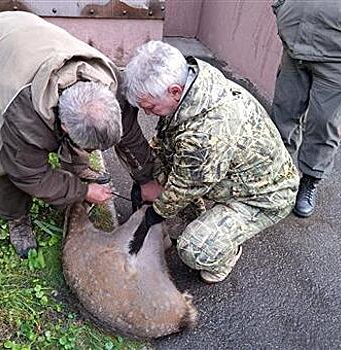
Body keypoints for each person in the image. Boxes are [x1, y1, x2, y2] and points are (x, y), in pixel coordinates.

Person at [0, 11, 154, 258]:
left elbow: (129, 134)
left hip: (28, 35)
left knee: (84, 130)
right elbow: (28, 174)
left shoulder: (112, 85)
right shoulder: (21, 117)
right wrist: (83, 192)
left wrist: (145, 179)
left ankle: (77, 168)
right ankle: (17, 220)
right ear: (64, 127)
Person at [123, 41, 299, 283]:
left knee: (195, 250)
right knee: (165, 180)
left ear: (174, 91)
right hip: (227, 170)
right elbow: (167, 144)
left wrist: (156, 212)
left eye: (150, 107)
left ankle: (225, 253)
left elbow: (187, 185)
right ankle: (202, 213)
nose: (148, 114)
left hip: (263, 195)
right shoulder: (194, 87)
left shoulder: (206, 133)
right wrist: (150, 178)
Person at [271, 0, 341, 217]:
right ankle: (275, 173)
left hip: (340, 57)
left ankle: (309, 180)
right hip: (295, 47)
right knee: (283, 113)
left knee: (323, 123)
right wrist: (282, 7)